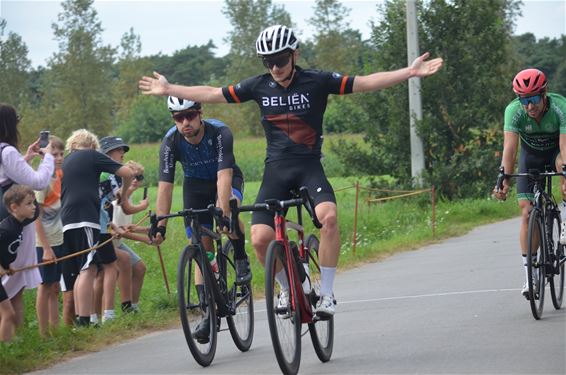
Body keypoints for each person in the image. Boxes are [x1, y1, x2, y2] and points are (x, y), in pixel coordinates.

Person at [139, 25, 444, 318]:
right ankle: (286, 288)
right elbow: (212, 93)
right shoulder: (258, 86)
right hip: (275, 171)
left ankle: (326, 293)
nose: (275, 67)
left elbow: (363, 82)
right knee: (259, 238)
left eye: (280, 60)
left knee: (330, 217)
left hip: (309, 167)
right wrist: (169, 88)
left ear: (294, 55)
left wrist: (410, 72)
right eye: (268, 62)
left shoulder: (317, 81)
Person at [150, 97, 249, 342]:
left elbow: (224, 176)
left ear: (200, 113)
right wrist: (160, 224)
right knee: (199, 247)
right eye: (178, 117)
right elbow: (165, 186)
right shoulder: (170, 142)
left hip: (225, 178)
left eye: (190, 115)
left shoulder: (219, 132)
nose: (185, 122)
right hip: (195, 186)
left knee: (230, 208)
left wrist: (223, 212)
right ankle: (207, 312)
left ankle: (239, 254)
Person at [493, 68, 566, 299]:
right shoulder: (514, 112)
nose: (529, 106)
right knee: (526, 212)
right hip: (530, 156)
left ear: (544, 94)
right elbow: (510, 148)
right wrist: (503, 177)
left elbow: (565, 146)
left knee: (564, 168)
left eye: (534, 99)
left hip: (556, 151)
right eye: (524, 100)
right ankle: (530, 277)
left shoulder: (560, 107)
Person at [60, 129, 134, 327]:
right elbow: (127, 173)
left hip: (66, 219)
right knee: (89, 269)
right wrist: (124, 194)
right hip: (85, 216)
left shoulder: (66, 161)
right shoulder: (93, 155)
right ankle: (85, 320)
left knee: (82, 268)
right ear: (93, 145)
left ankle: (82, 318)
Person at [0, 103, 54, 329]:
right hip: (15, 217)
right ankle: (15, 338)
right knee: (16, 281)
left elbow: (6, 175)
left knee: (13, 283)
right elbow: (38, 181)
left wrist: (27, 157)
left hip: (4, 212)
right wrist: (48, 157)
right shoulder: (7, 150)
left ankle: (14, 341)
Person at [99, 137, 148, 314]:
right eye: (131, 176)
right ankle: (114, 311)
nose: (135, 180)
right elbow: (119, 229)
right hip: (109, 240)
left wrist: (147, 231)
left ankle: (132, 307)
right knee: (118, 267)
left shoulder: (127, 197)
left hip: (116, 240)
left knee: (139, 267)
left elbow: (127, 227)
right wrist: (146, 239)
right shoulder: (117, 197)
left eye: (138, 177)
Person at [0, 185, 39, 342]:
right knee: (8, 313)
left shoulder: (18, 226)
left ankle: (9, 350)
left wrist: (7, 265)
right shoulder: (6, 228)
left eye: (34, 203)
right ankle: (5, 351)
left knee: (8, 313)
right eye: (29, 204)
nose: (34, 207)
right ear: (14, 207)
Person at [35, 135, 65, 335]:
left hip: (60, 236)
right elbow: (35, 216)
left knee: (55, 286)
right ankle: (43, 333)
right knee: (45, 286)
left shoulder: (61, 174)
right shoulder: (41, 180)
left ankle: (55, 331)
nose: (59, 157)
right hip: (44, 241)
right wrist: (45, 247)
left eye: (62, 153)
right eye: (54, 154)